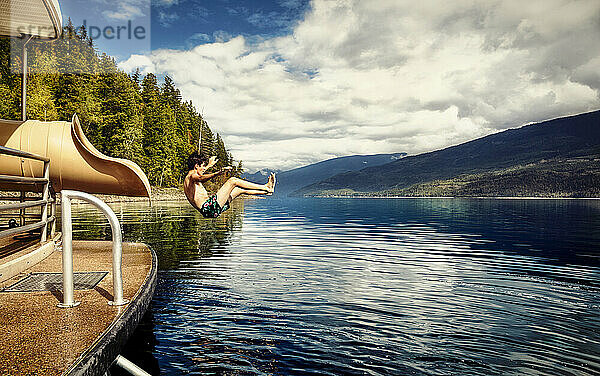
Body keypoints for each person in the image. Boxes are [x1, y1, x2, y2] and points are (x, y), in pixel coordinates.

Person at [184, 151, 275, 218]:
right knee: (233, 181)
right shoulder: (192, 176)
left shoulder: (189, 179)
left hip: (209, 210)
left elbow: (200, 175)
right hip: (209, 207)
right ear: (196, 165)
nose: (204, 168)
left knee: (239, 190)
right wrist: (218, 173)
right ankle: (266, 187)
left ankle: (266, 192)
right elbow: (200, 178)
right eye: (203, 166)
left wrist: (209, 165)